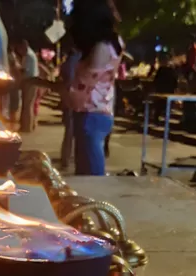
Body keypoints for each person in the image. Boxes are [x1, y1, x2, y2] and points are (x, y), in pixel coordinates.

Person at [68, 0, 124, 175]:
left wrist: (41, 83)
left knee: (92, 179)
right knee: (88, 174)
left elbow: (79, 95)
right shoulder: (115, 43)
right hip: (101, 114)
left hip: (90, 116)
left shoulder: (100, 49)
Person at [18, 39, 39, 132]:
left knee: (27, 105)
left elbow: (25, 70)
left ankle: (27, 127)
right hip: (31, 81)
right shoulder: (30, 54)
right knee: (28, 105)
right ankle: (26, 125)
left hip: (30, 81)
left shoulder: (29, 56)